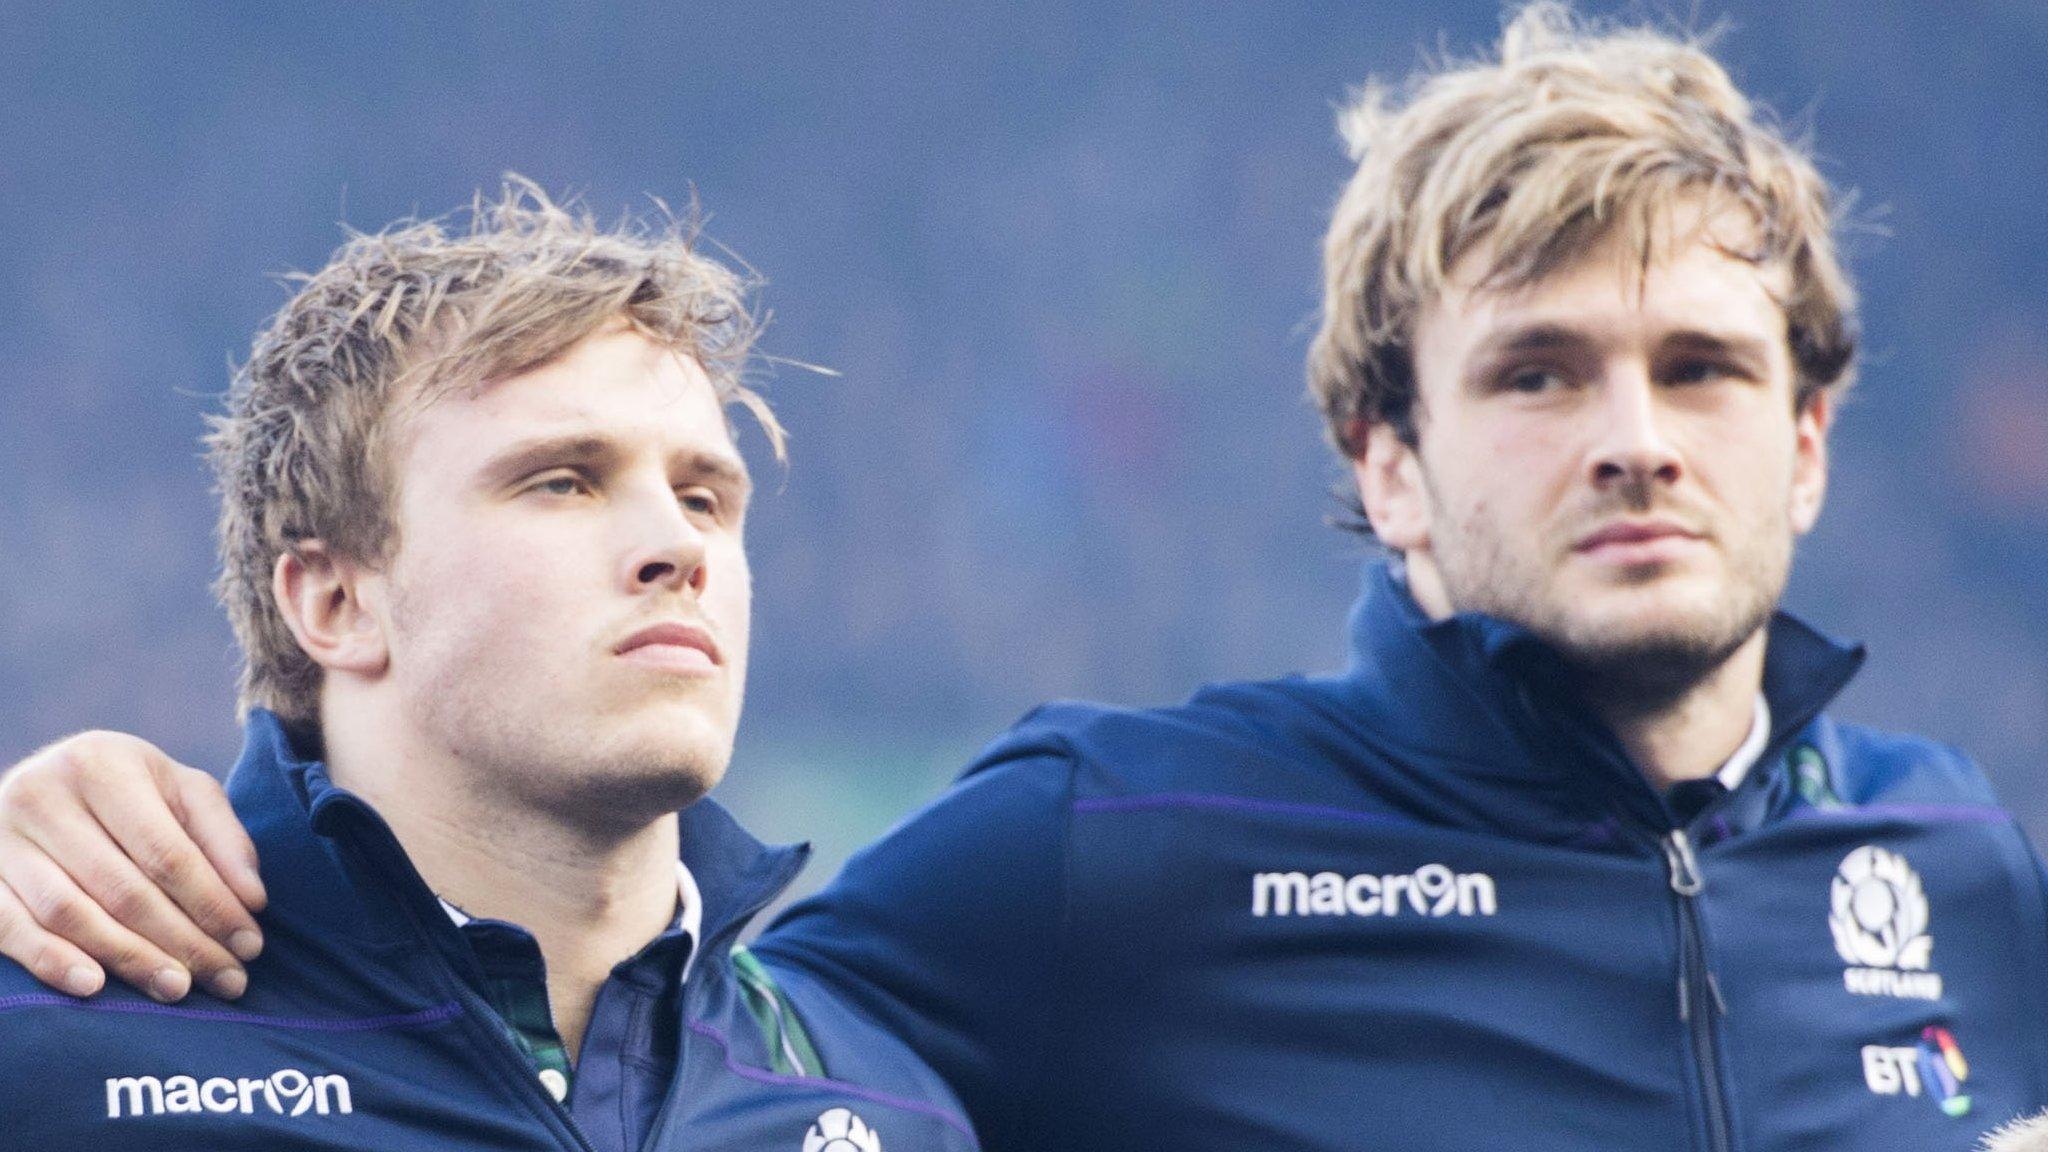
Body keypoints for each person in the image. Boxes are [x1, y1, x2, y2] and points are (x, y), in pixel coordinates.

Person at [4, 5, 2045, 1149]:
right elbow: (559, 997)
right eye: (1535, 371)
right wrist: (74, 821)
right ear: (1384, 461)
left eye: (1699, 369)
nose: (1632, 433)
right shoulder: (1114, 851)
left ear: (1807, 443)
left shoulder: (1958, 860)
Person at [0, 185, 975, 1150]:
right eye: (561, 482)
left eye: (704, 497)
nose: (678, 546)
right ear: (336, 602)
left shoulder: (888, 1105)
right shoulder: (53, 1046)